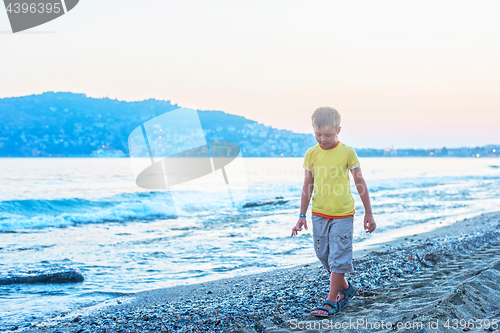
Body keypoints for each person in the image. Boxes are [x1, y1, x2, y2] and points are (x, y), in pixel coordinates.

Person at [291, 106, 376, 317]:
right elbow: (307, 185)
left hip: (343, 215)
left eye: (328, 135)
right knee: (323, 255)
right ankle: (346, 289)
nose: (322, 139)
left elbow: (359, 181)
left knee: (338, 257)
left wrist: (368, 212)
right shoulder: (311, 153)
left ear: (339, 130)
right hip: (319, 214)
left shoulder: (347, 152)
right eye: (318, 134)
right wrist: (301, 215)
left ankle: (331, 300)